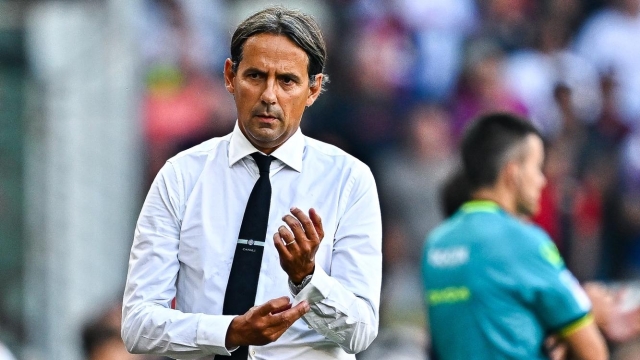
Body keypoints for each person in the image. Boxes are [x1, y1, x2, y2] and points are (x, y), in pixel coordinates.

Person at [121, 5, 382, 360]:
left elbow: (361, 333)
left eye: (287, 80)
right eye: (256, 76)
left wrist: (307, 278)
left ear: (314, 88)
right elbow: (137, 324)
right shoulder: (181, 176)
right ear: (230, 76)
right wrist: (229, 332)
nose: (269, 96)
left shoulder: (348, 180)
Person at [422, 112, 608, 359]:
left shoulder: (435, 244)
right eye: (537, 168)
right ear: (513, 173)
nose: (542, 181)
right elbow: (593, 352)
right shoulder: (524, 241)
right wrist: (593, 316)